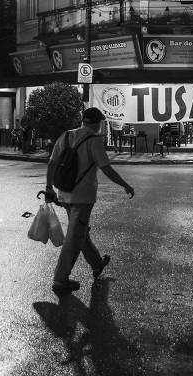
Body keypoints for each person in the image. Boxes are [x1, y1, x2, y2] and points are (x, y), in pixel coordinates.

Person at [44, 107, 135, 293]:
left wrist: (48, 187)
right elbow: (106, 169)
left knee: (80, 231)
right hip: (83, 197)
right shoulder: (94, 141)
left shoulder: (66, 136)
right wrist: (126, 185)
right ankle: (60, 280)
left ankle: (96, 264)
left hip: (64, 194)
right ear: (97, 123)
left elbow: (52, 163)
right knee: (74, 238)